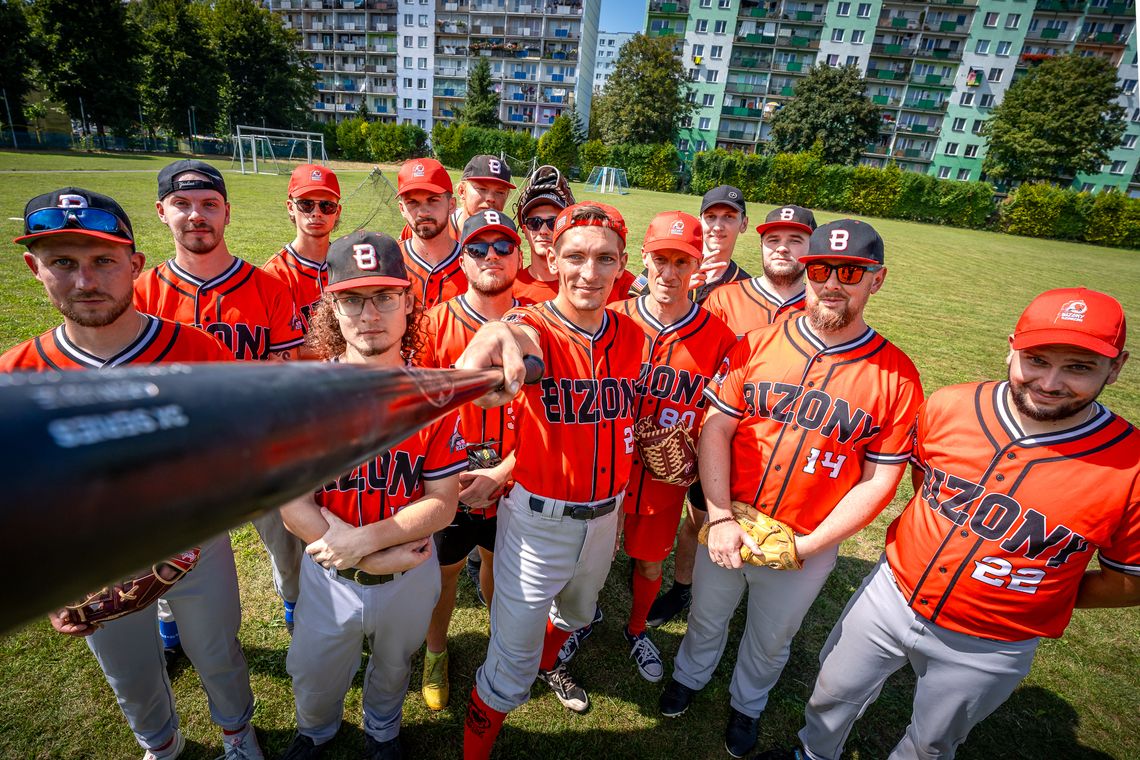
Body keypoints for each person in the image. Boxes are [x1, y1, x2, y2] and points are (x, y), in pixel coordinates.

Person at [756, 288, 1139, 760]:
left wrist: (1043, 595)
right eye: (1037, 359)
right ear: (1012, 347)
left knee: (932, 744)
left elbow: (1128, 582)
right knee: (831, 693)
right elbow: (924, 484)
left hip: (994, 641)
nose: (1051, 382)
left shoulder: (1132, 468)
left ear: (1116, 367)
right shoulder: (949, 406)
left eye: (1079, 367)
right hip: (890, 594)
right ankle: (812, 755)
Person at [0, 187, 262, 760]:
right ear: (34, 267)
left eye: (103, 261)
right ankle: (161, 746)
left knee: (217, 650)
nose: (86, 281)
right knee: (129, 671)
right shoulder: (14, 376)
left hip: (194, 543)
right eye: (63, 262)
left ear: (135, 265)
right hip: (92, 560)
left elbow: (236, 457)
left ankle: (238, 735)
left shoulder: (197, 351)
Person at [660, 219, 924, 759]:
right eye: (823, 268)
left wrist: (806, 547)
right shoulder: (757, 344)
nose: (833, 282)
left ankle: (747, 705)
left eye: (851, 272)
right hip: (731, 518)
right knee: (708, 614)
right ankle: (689, 675)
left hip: (808, 540)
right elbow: (716, 428)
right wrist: (719, 515)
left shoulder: (897, 376)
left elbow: (879, 481)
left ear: (877, 280)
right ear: (808, 272)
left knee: (771, 637)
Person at [455, 202, 647, 759]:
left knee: (578, 615)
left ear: (622, 265)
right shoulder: (532, 325)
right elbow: (502, 351)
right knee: (506, 667)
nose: (589, 273)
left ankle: (550, 663)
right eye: (576, 257)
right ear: (552, 258)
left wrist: (505, 467)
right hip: (539, 524)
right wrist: (494, 334)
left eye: (604, 259)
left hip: (605, 514)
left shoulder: (632, 338)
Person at [277, 230, 465, 760]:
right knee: (315, 667)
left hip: (405, 570)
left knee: (394, 665)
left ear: (408, 302)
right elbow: (293, 507)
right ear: (331, 307)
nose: (370, 314)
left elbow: (443, 502)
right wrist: (365, 555)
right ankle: (316, 731)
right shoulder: (305, 397)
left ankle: (383, 730)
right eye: (353, 298)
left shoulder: (431, 394)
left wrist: (365, 546)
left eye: (384, 297)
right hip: (328, 572)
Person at [135, 159, 306, 645]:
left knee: (286, 546)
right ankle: (170, 628)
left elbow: (285, 375)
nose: (196, 215)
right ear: (161, 212)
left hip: (257, 450)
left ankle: (295, 610)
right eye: (182, 204)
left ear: (227, 213)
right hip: (179, 455)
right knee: (171, 551)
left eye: (209, 205)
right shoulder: (140, 295)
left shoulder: (266, 289)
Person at [599, 211, 738, 682]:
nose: (670, 273)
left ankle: (637, 629)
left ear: (696, 266)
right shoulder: (611, 319)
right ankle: (577, 621)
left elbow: (726, 415)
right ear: (643, 257)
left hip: (666, 475)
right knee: (590, 560)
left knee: (651, 560)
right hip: (603, 468)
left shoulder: (719, 338)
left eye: (683, 261)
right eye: (661, 259)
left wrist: (698, 448)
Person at [417, 210, 525, 711]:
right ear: (462, 260)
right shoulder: (435, 321)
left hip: (518, 476)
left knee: (499, 565)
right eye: (478, 248)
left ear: (520, 258)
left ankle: (496, 630)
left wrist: (505, 471)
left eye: (503, 246)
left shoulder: (536, 322)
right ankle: (435, 652)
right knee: (444, 571)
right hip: (452, 479)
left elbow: (555, 423)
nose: (491, 257)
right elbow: (419, 411)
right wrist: (446, 475)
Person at [641, 184, 759, 629]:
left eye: (729, 216)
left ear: (742, 225)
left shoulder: (744, 292)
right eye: (712, 215)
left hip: (697, 434)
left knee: (692, 523)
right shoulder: (631, 302)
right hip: (629, 447)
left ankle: (681, 589)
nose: (719, 224)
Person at [703, 204, 815, 339]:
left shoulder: (825, 309)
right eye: (773, 240)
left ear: (812, 248)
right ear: (761, 246)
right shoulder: (723, 299)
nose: (782, 248)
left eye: (795, 241)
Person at [263, 164, 342, 336]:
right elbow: (279, 347)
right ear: (291, 207)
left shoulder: (349, 263)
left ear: (337, 212)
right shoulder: (275, 273)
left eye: (326, 206)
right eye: (306, 204)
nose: (316, 213)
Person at [395, 157, 466, 309]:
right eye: (412, 202)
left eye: (433, 200)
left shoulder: (473, 264)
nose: (423, 212)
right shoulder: (389, 262)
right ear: (402, 209)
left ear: (451, 205)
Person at [511, 165, 574, 304]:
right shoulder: (509, 290)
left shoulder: (587, 286)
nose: (543, 230)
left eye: (553, 222)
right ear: (525, 230)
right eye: (534, 223)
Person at [453, 154, 516, 231]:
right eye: (482, 189)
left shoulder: (506, 237)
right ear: (462, 191)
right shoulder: (441, 227)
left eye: (500, 192)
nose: (491, 198)